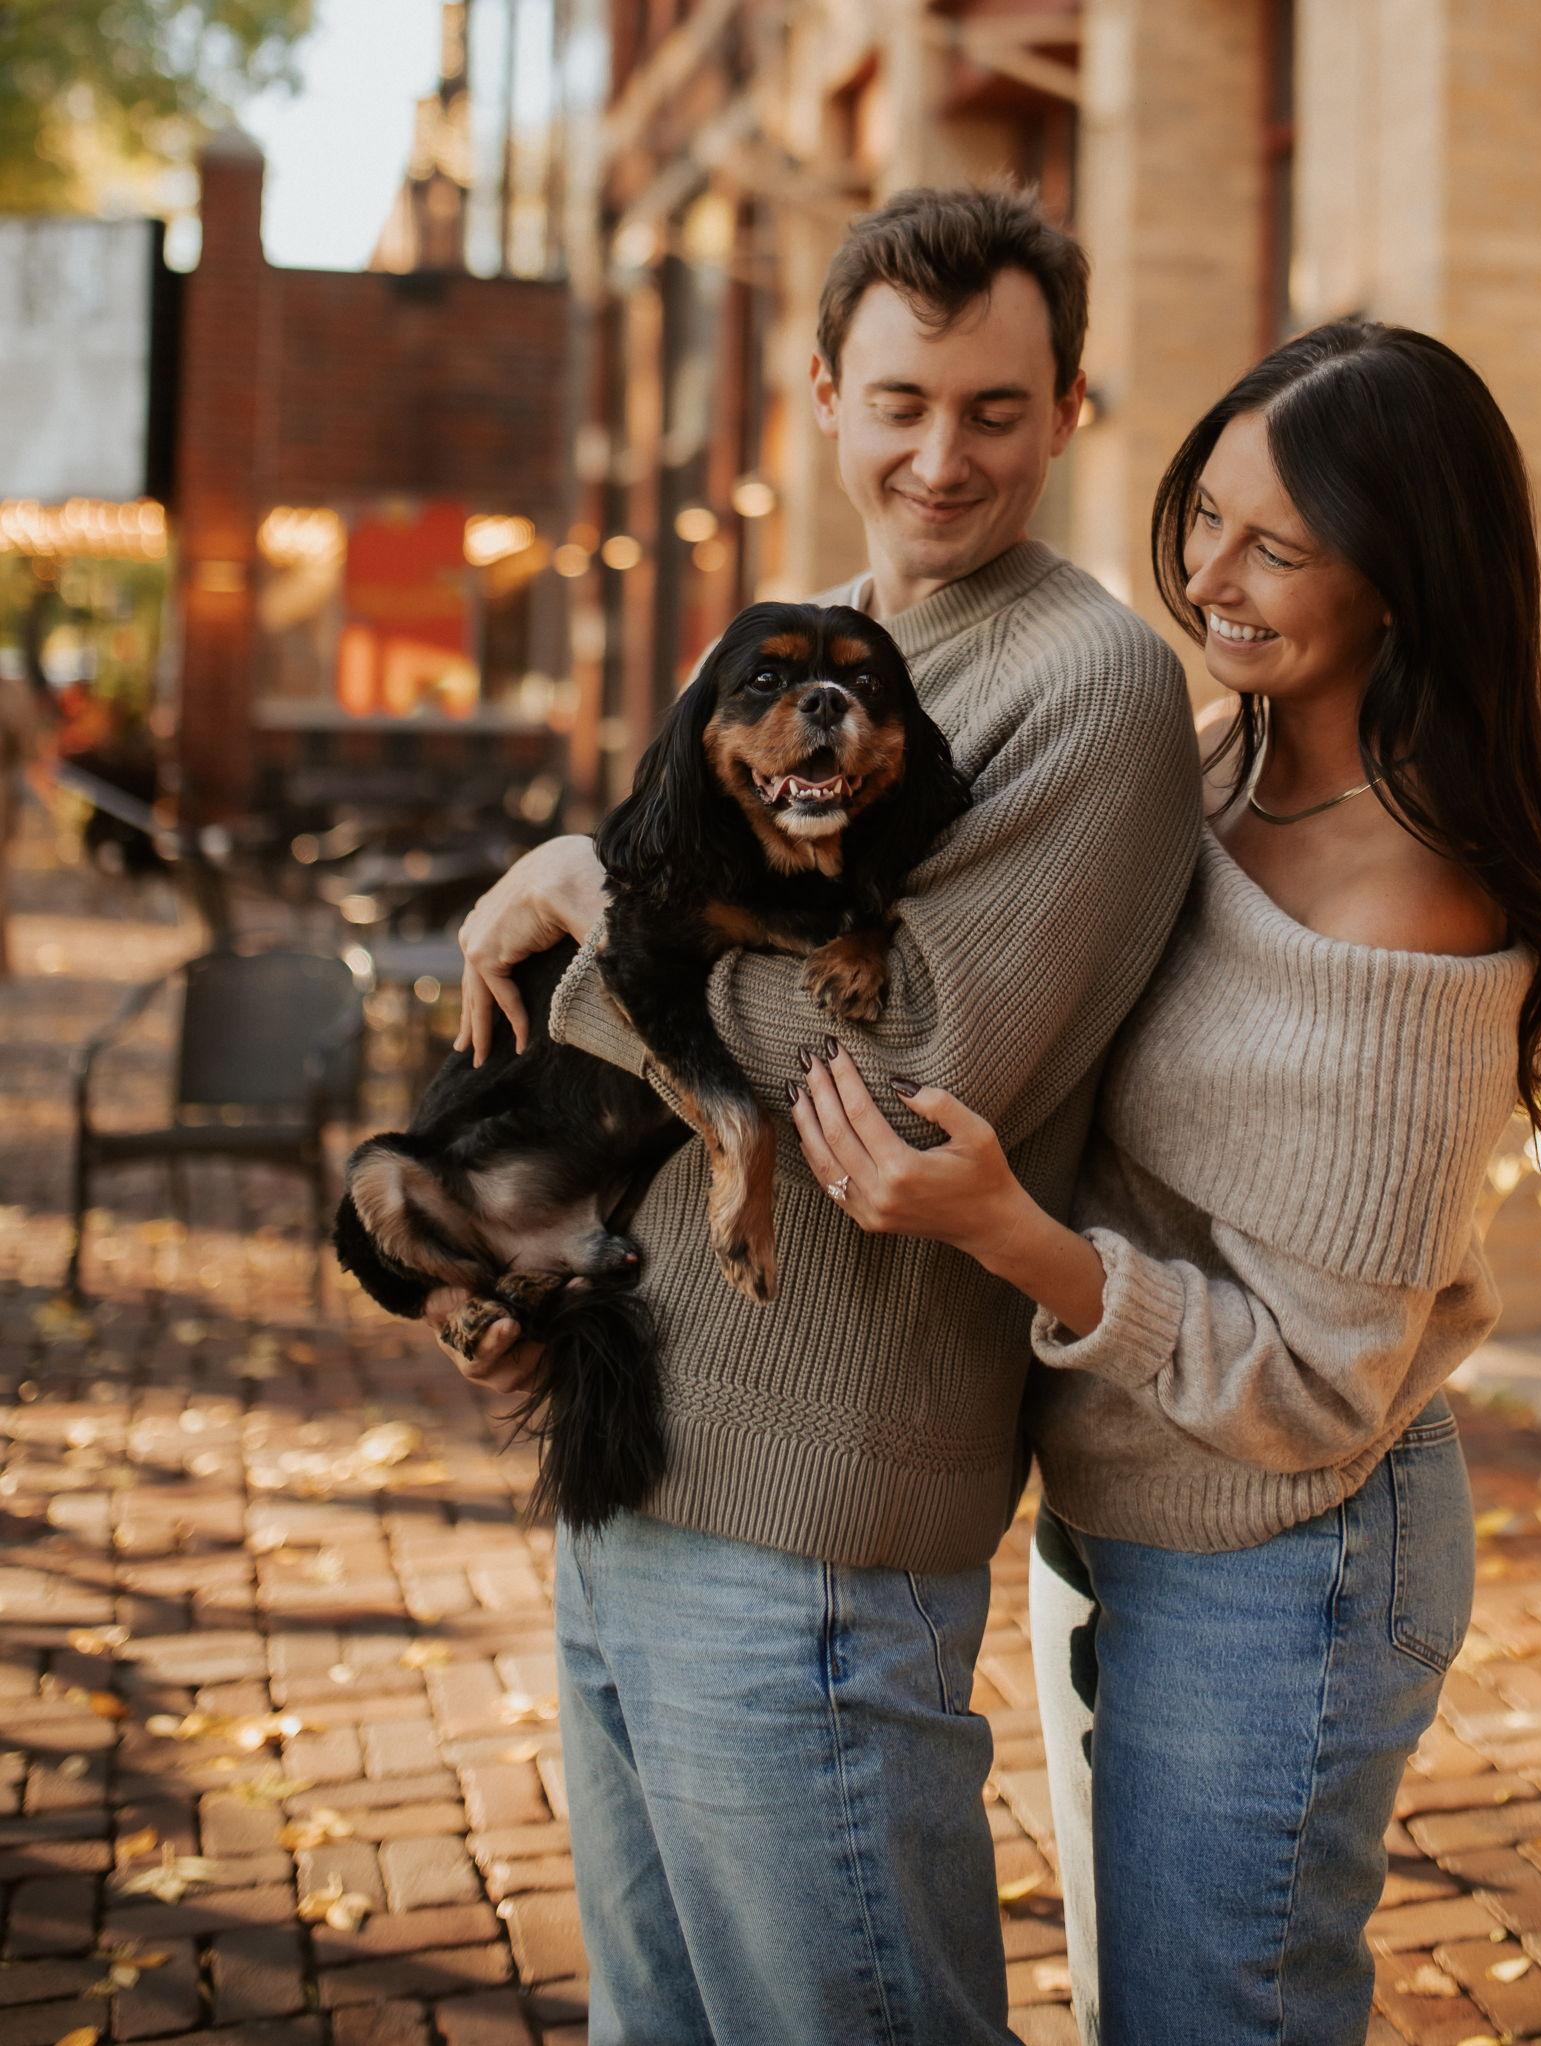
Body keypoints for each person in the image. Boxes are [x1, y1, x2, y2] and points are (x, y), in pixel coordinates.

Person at [437, 187, 1200, 2045]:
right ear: (827, 396)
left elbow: (902, 1068)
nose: (942, 457)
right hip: (631, 1454)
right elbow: (666, 943)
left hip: (816, 1534)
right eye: (903, 403)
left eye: (997, 410)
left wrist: (584, 898)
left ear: (1069, 408)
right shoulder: (789, 646)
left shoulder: (1089, 683)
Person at [786, 319, 1541, 2044]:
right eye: (1206, 516)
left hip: (1289, 1554)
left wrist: (1016, 1236)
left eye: (1277, 548)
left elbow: (1321, 1382)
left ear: (1402, 577)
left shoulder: (1411, 901)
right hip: (1121, 1501)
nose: (1212, 577)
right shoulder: (1218, 762)